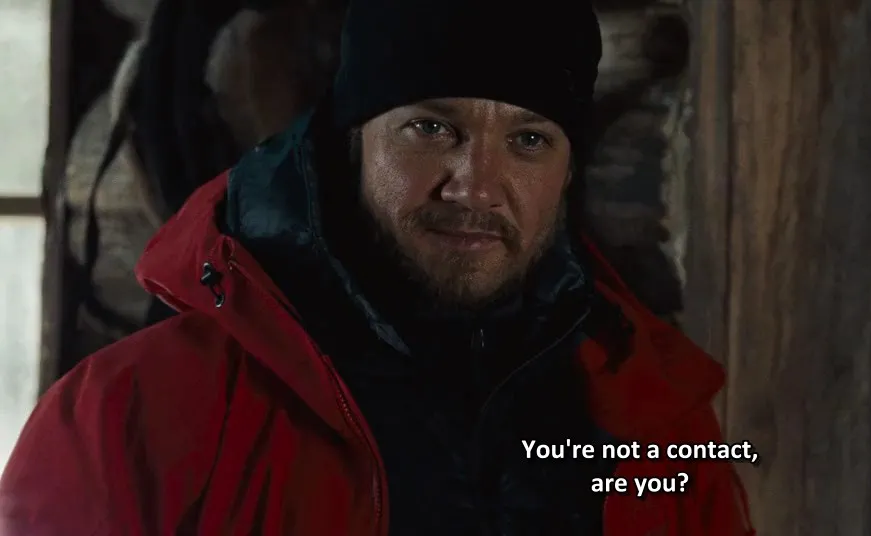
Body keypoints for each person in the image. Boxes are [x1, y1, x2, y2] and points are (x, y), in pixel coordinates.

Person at [0, 0, 755, 534]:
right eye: (432, 128)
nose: (476, 186)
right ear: (348, 142)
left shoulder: (658, 431)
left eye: (529, 141)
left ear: (566, 173)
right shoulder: (128, 418)